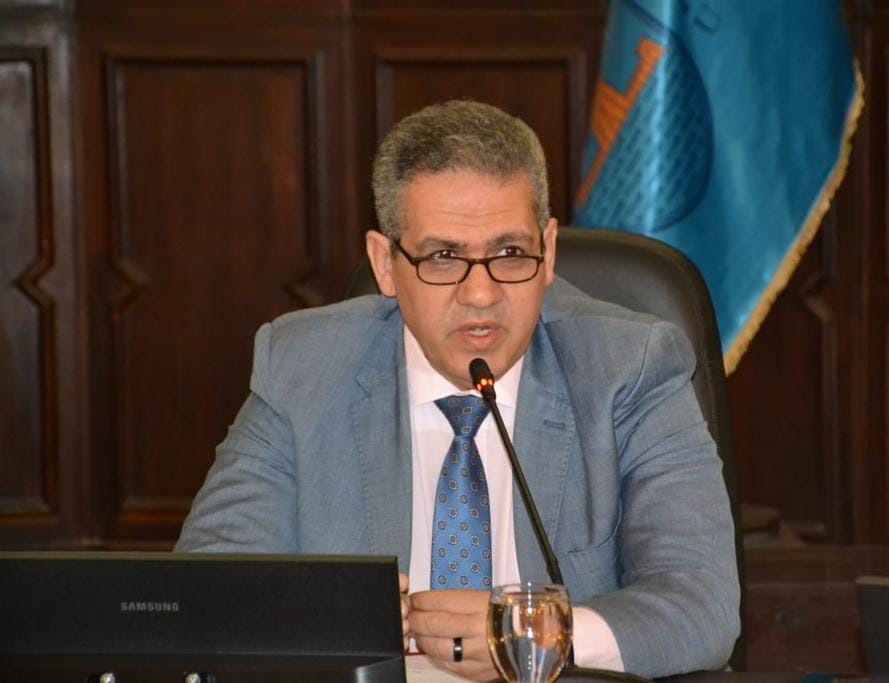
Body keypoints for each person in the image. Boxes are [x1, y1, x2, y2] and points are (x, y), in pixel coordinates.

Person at [176, 99, 740, 679]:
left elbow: (703, 605)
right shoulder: (303, 368)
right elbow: (207, 592)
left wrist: (532, 634)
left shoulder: (630, 368)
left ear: (548, 252)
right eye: (444, 257)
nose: (480, 294)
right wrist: (332, 618)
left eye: (510, 253)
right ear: (385, 263)